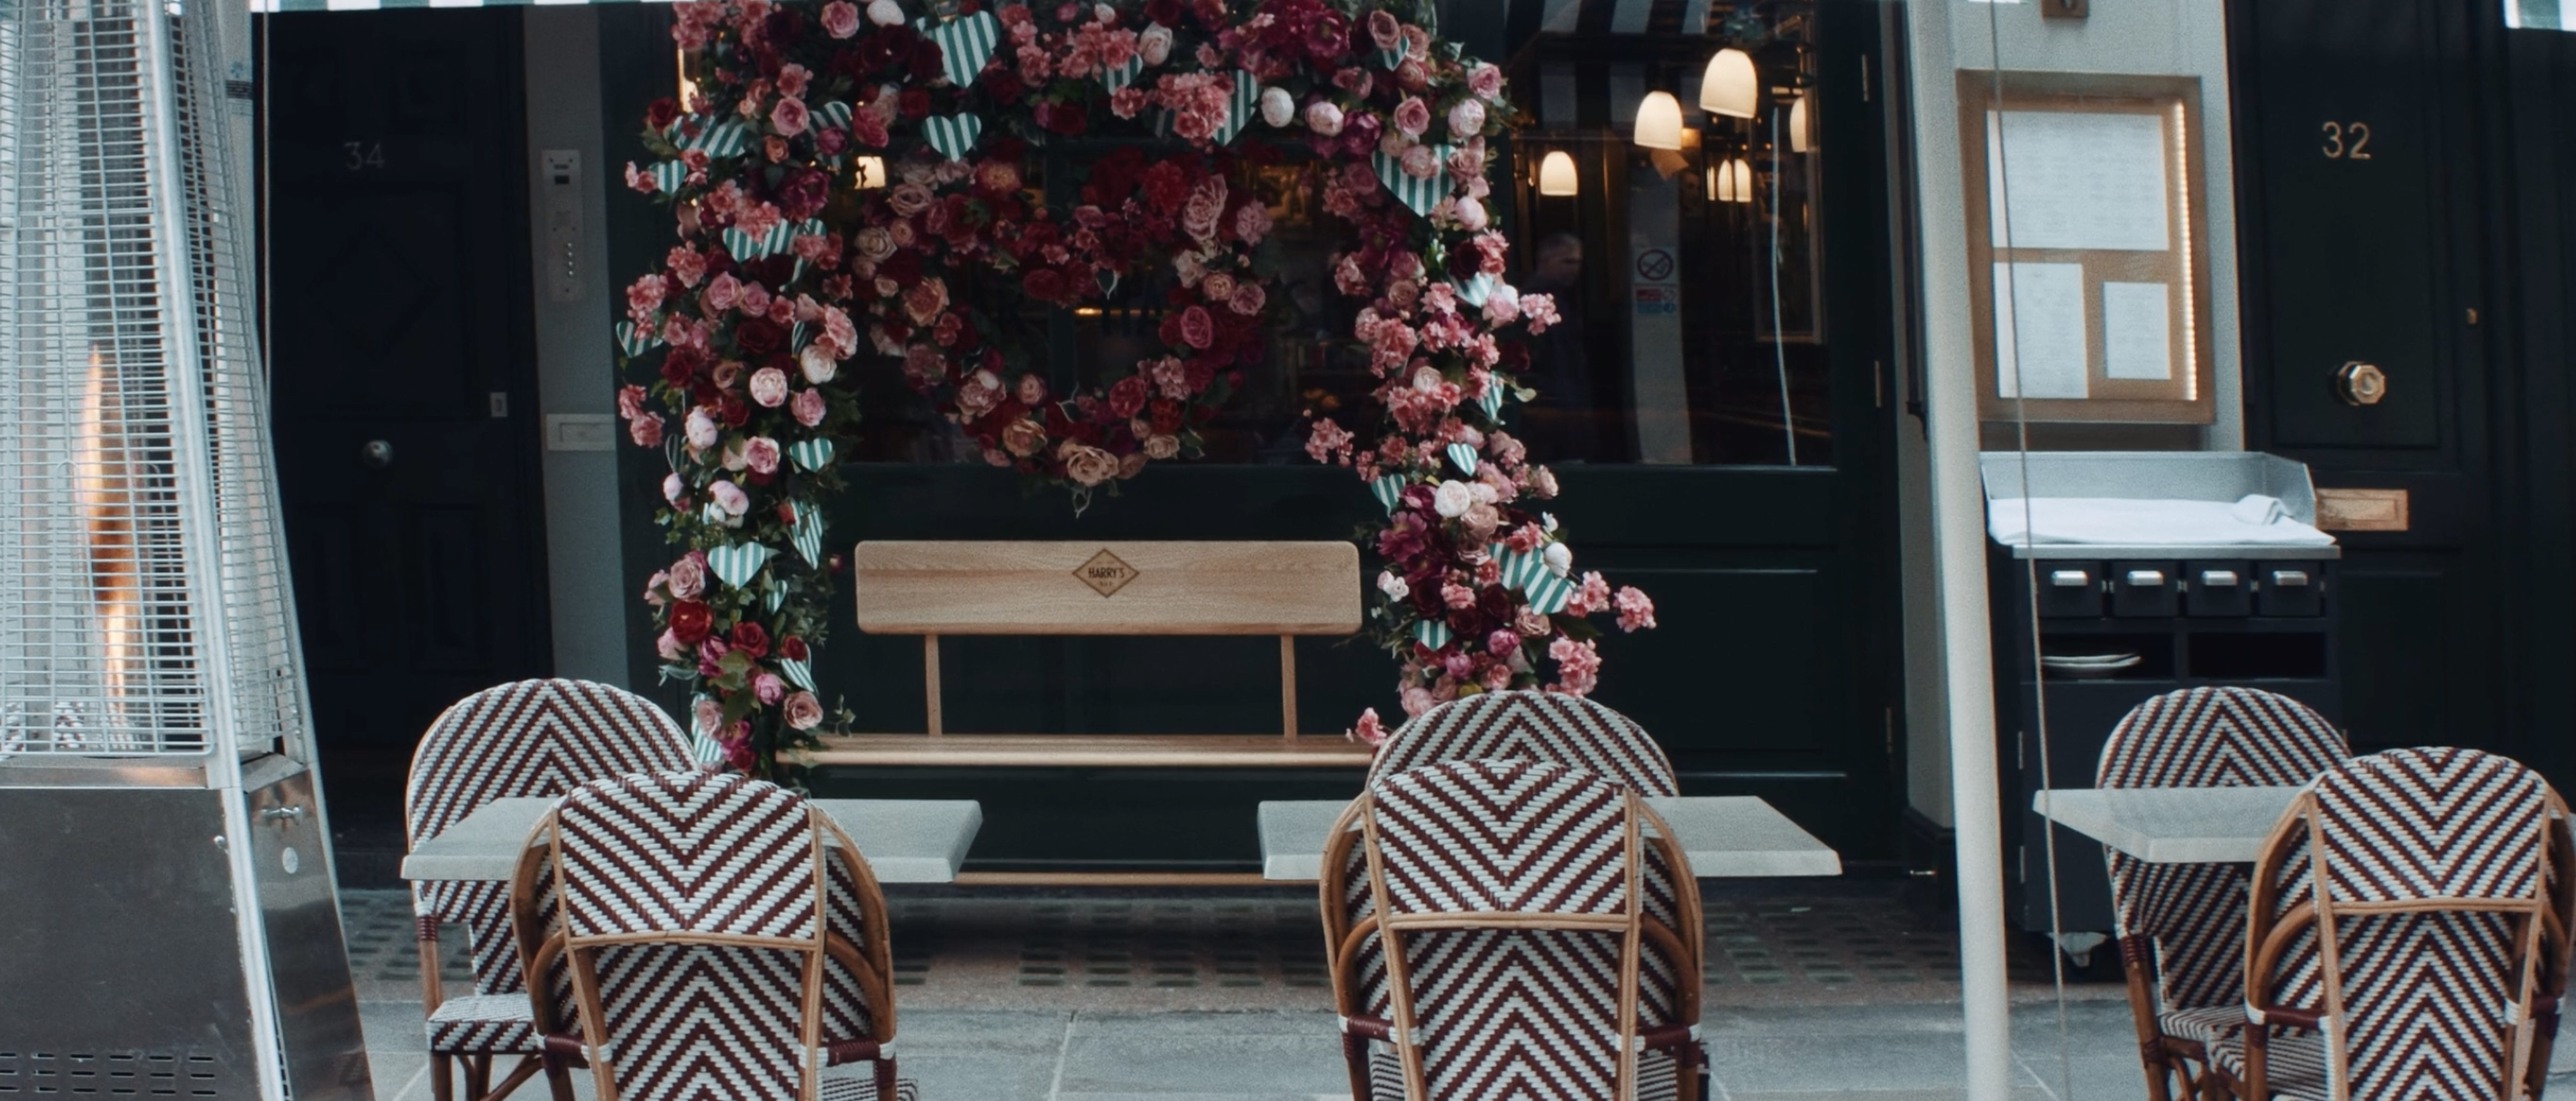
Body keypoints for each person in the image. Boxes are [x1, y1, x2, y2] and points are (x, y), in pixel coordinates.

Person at [1517, 232, 1602, 460]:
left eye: (1578, 262)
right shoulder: (1535, 300)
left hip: (1564, 403)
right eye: (1567, 261)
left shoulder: (1562, 298)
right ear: (1545, 260)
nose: (1574, 268)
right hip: (1553, 404)